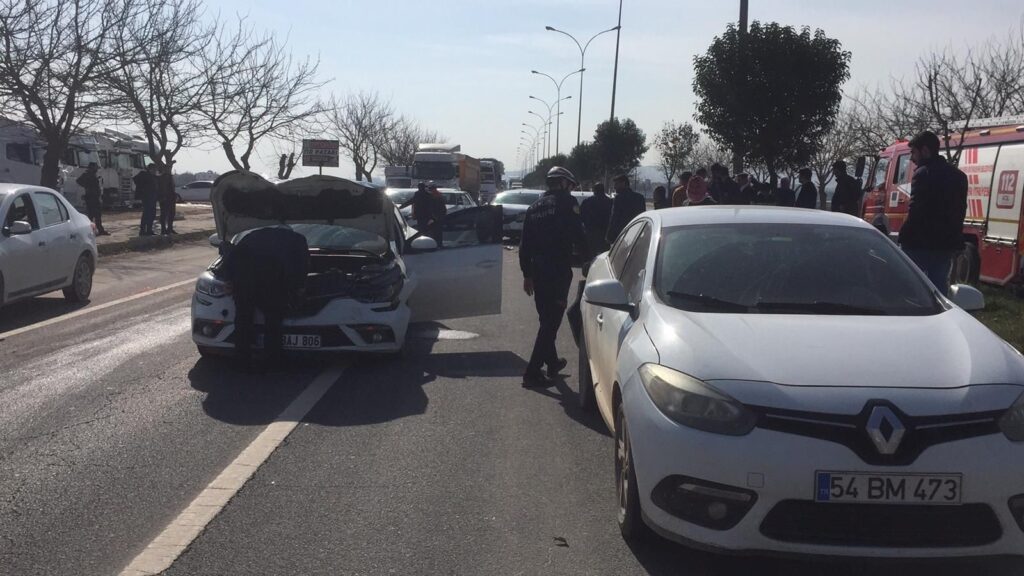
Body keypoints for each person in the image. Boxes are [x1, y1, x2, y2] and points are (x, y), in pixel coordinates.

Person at [519, 166, 589, 388]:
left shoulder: (534, 208)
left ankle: (552, 362)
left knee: (545, 318)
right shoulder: (567, 203)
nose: (570, 189)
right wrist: (590, 261)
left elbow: (524, 245)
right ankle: (532, 372)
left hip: (538, 270)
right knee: (552, 320)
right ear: (562, 183)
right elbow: (580, 235)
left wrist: (527, 274)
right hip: (558, 269)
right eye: (569, 185)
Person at [220, 225, 310, 369]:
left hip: (244, 281)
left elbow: (232, 257)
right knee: (273, 320)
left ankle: (242, 360)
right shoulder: (297, 239)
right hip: (271, 283)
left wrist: (228, 279)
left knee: (243, 318)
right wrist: (299, 287)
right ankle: (272, 360)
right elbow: (302, 265)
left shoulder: (251, 236)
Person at [898, 130, 968, 296]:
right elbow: (960, 211)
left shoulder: (923, 173)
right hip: (945, 244)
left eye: (913, 152)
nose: (912, 159)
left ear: (925, 151)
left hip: (919, 243)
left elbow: (916, 211)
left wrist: (904, 236)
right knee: (938, 286)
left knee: (910, 285)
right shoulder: (959, 176)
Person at [606, 174, 646, 244]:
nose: (614, 187)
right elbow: (643, 215)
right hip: (637, 232)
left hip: (622, 234)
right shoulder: (640, 197)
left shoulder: (619, 198)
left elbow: (614, 218)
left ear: (623, 183)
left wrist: (609, 236)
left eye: (616, 184)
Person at [580, 182, 613, 256]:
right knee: (604, 255)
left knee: (590, 255)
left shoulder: (587, 202)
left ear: (594, 190)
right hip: (605, 234)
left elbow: (581, 216)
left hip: (591, 233)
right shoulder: (610, 202)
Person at [76, 162, 108, 235]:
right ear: (92, 168)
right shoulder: (87, 175)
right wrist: (86, 186)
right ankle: (91, 231)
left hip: (95, 196)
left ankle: (99, 230)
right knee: (92, 215)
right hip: (91, 197)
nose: (96, 169)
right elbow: (78, 181)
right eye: (95, 167)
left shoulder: (93, 175)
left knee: (97, 215)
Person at [134, 164, 159, 236]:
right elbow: (136, 180)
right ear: (150, 169)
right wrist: (143, 190)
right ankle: (142, 231)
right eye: (154, 169)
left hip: (153, 197)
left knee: (152, 214)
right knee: (146, 214)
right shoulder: (144, 175)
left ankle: (149, 230)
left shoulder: (153, 177)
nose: (155, 171)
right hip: (147, 197)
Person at [158, 166, 177, 235]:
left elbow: (172, 188)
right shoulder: (162, 177)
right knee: (164, 214)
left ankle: (170, 228)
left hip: (171, 198)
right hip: (165, 198)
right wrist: (163, 197)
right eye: (167, 169)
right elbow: (163, 188)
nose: (169, 170)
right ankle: (163, 229)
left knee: (172, 214)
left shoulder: (170, 177)